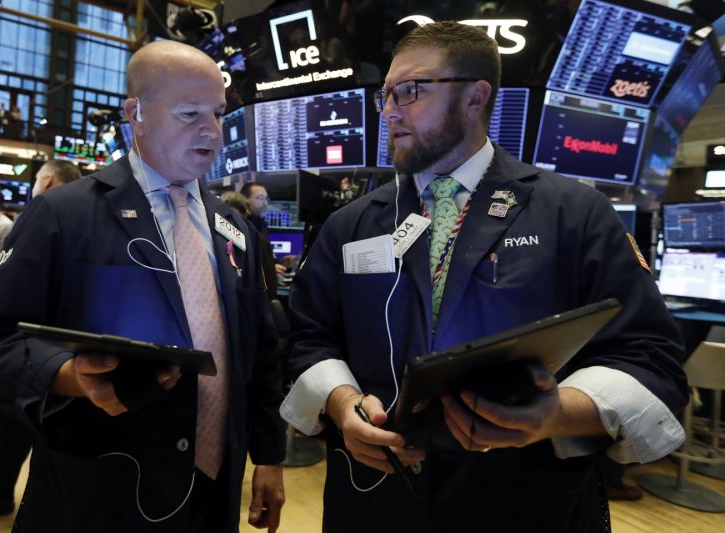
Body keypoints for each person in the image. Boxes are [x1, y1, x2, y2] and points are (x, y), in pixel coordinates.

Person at [280, 21, 688, 532]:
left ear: (476, 97)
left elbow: (648, 356)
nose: (389, 111)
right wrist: (342, 406)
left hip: (525, 502)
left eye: (411, 91)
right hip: (375, 500)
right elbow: (309, 339)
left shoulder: (573, 212)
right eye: (386, 95)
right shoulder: (351, 224)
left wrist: (558, 414)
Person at [0, 40, 286, 533]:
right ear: (137, 113)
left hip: (212, 500)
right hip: (100, 496)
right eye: (190, 113)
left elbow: (260, 355)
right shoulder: (64, 214)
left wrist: (270, 455)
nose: (212, 133)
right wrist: (68, 374)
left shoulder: (234, 229)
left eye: (217, 113)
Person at [0, 159, 83, 515]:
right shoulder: (90, 218)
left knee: (14, 422)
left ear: (46, 180)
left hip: (34, 345)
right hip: (69, 351)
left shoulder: (44, 214)